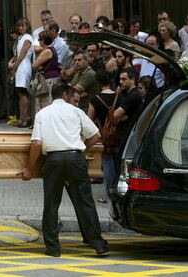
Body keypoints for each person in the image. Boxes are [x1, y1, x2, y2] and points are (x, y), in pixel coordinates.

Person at [20, 82, 108, 257]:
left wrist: (29, 169)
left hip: (53, 161)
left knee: (52, 204)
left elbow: (36, 143)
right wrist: (81, 147)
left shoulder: (42, 114)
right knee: (85, 202)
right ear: (67, 95)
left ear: (53, 95)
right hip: (75, 159)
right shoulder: (76, 111)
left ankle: (53, 248)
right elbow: (97, 135)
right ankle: (98, 244)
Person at [88, 69, 121, 204]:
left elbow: (89, 120)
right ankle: (118, 193)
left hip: (105, 136)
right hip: (119, 134)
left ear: (98, 82)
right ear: (111, 80)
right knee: (117, 164)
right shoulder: (119, 97)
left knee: (107, 164)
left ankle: (109, 194)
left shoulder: (95, 99)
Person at [8, 18, 33, 127]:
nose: (21, 28)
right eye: (19, 26)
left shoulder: (28, 38)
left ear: (27, 26)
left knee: (22, 93)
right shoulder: (21, 38)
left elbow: (22, 55)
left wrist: (14, 67)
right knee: (20, 93)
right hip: (20, 66)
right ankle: (22, 117)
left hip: (23, 66)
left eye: (23, 25)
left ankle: (26, 117)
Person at [32, 30, 60, 114]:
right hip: (52, 78)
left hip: (48, 80)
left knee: (45, 103)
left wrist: (39, 65)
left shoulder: (47, 51)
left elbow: (34, 65)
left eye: (39, 40)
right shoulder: (52, 49)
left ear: (43, 41)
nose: (38, 41)